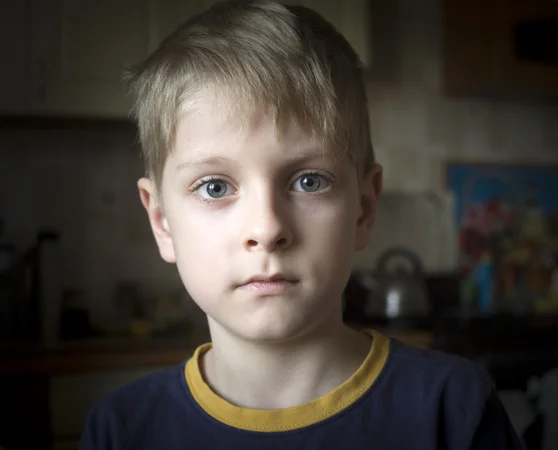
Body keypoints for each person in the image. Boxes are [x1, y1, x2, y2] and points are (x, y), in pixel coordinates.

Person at [80, 1, 523, 449]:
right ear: (162, 222)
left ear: (364, 209)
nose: (268, 228)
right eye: (215, 187)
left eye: (309, 181)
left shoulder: (455, 411)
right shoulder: (120, 431)